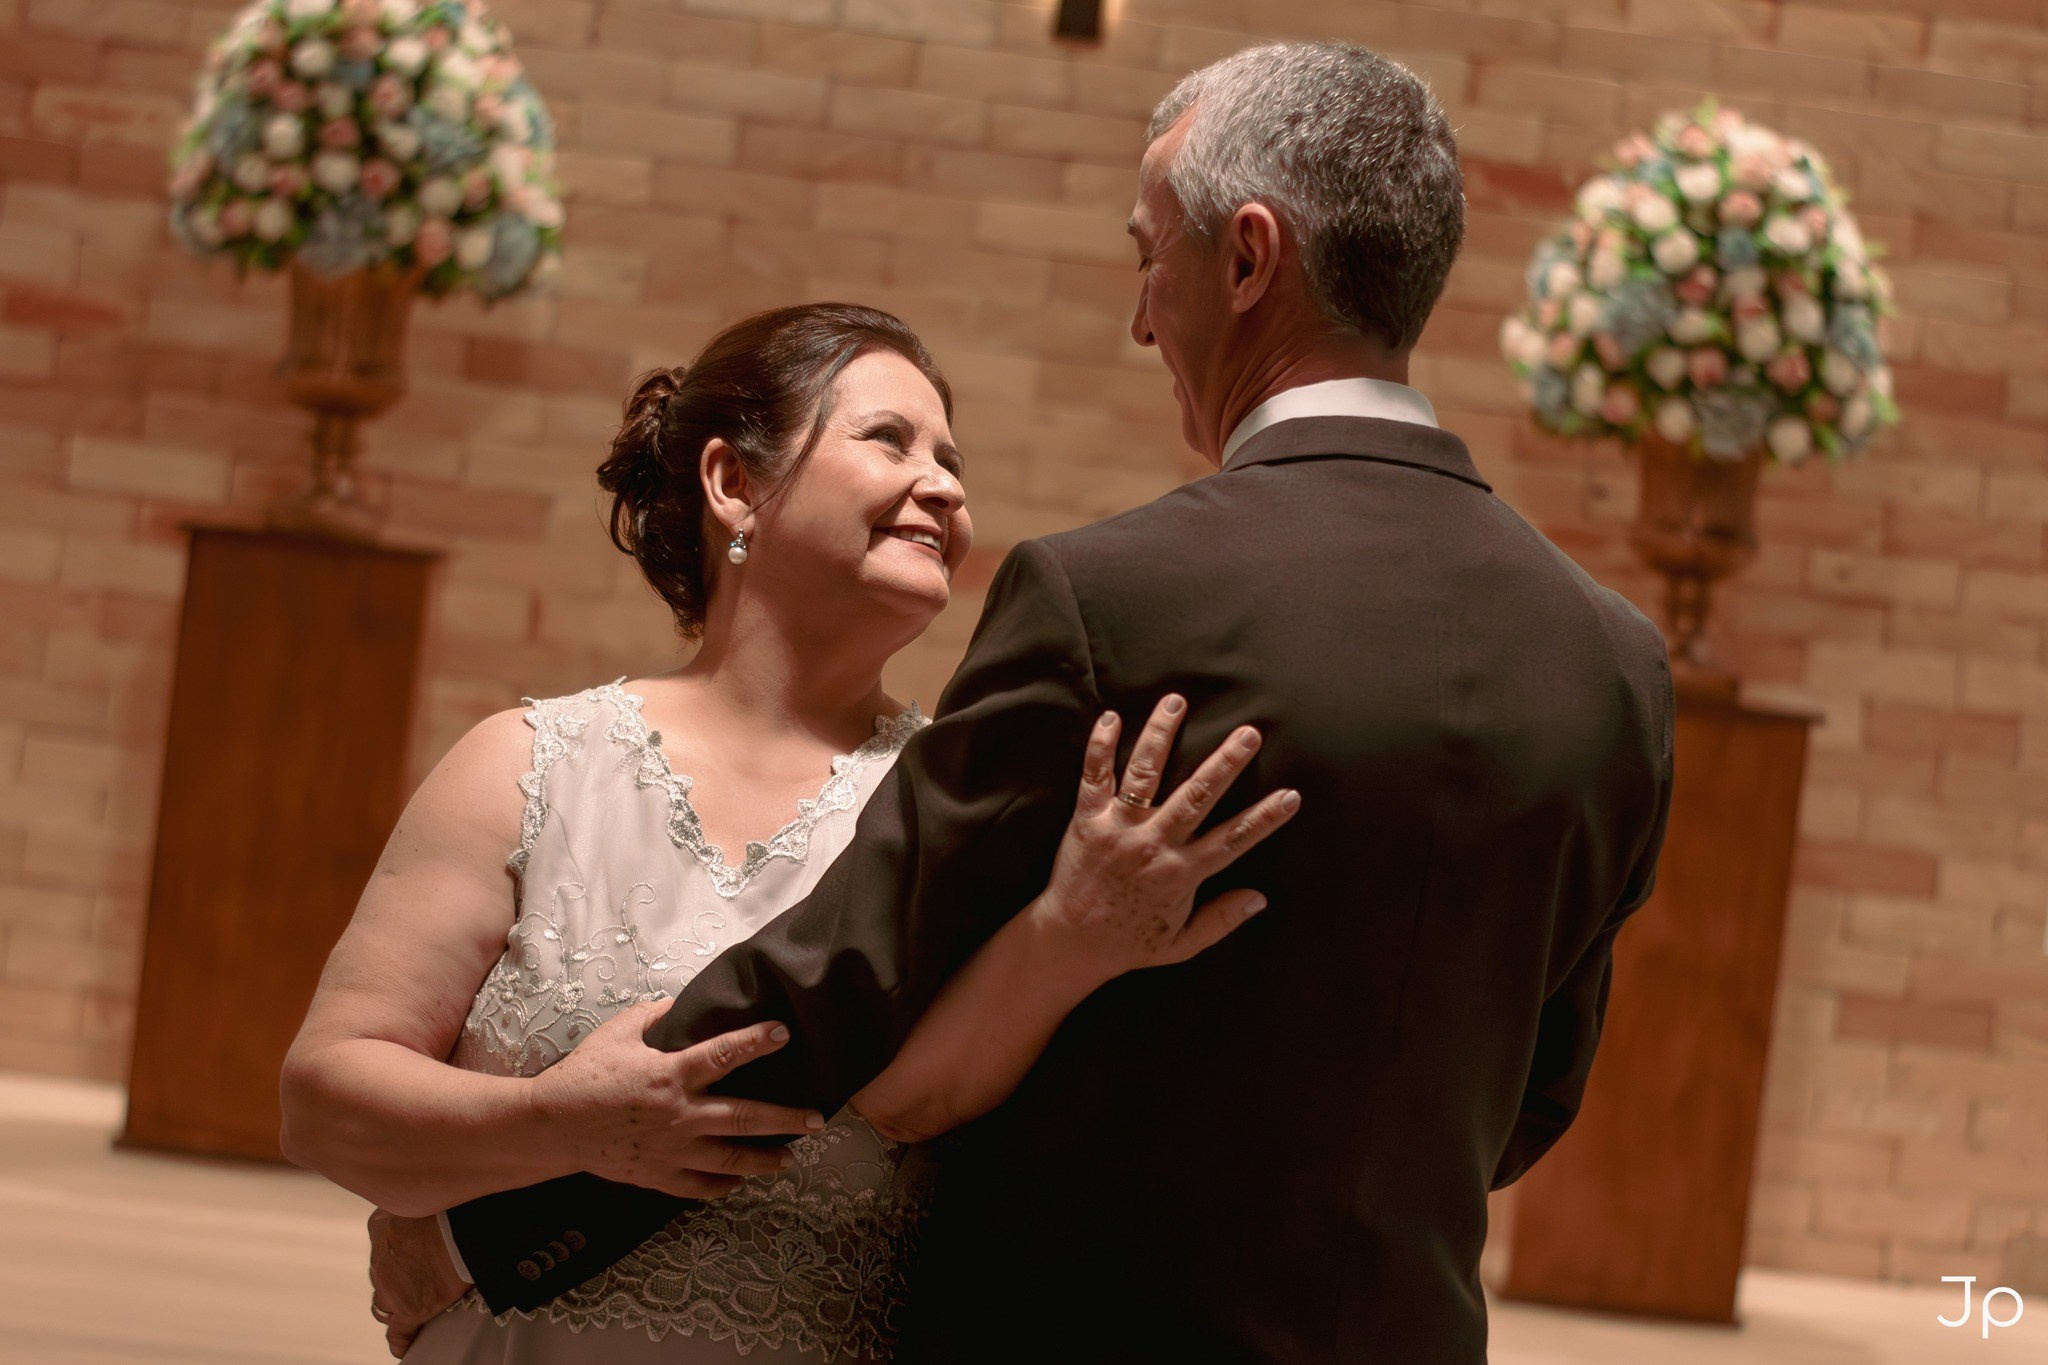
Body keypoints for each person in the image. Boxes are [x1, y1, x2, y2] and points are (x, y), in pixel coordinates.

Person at [398, 40, 1678, 1364]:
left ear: (1248, 261)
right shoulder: (1615, 662)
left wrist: (506, 1222)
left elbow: (842, 982)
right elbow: (1532, 1102)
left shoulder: (1118, 596)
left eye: (1149, 255)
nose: (1140, 317)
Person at [280, 302, 1299, 1362]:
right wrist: (555, 1123)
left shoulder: (962, 804)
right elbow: (323, 1105)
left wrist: (1082, 926)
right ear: (734, 483)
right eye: (887, 439)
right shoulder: (528, 764)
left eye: (952, 460)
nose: (943, 485)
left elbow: (927, 1102)